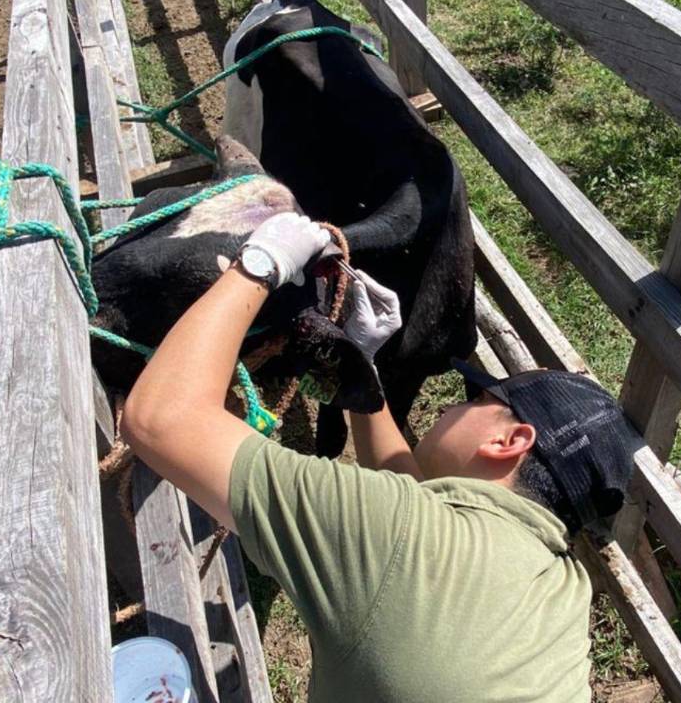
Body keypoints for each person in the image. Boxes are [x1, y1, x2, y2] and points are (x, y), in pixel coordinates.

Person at [121, 212, 636, 702]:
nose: (457, 404)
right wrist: (362, 368)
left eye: (479, 399)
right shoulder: (562, 589)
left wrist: (260, 264)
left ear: (509, 443)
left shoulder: (396, 534)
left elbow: (160, 419)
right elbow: (416, 505)